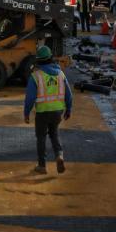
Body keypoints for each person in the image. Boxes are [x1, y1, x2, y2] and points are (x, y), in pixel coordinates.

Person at [24, 45, 73, 175]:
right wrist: (68, 110)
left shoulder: (35, 76)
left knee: (41, 137)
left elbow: (30, 98)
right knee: (54, 134)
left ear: (38, 60)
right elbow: (69, 95)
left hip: (42, 113)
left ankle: (42, 166)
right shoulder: (61, 74)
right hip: (57, 112)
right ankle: (59, 155)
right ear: (51, 58)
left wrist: (26, 113)